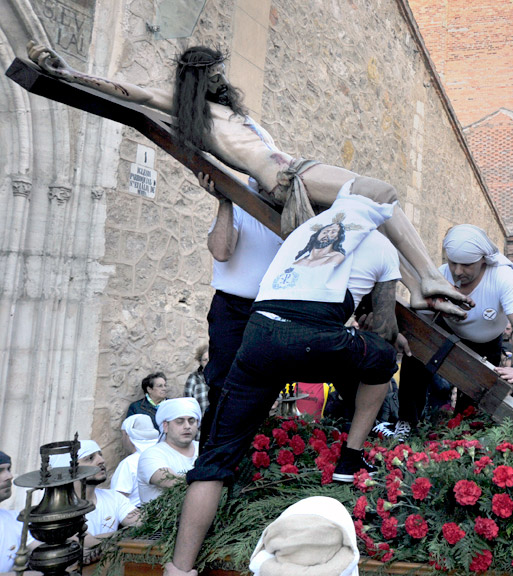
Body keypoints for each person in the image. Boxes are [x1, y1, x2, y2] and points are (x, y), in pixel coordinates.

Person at [26, 42, 469, 318]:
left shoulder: (230, 111)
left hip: (297, 167)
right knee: (381, 193)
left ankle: (417, 285)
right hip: (284, 178)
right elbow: (133, 94)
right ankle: (428, 277)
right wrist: (70, 74)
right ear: (199, 78)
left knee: (373, 214)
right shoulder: (186, 108)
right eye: (213, 72)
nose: (222, 77)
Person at [166, 189, 410, 576]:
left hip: (258, 337)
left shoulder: (300, 230)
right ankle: (350, 456)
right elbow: (382, 325)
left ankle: (179, 568)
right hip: (315, 341)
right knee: (380, 355)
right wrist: (389, 333)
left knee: (214, 459)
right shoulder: (380, 244)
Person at [395, 225, 513, 437]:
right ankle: (405, 423)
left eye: (467, 265)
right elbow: (421, 321)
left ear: (483, 260)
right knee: (414, 356)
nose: (458, 271)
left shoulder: (503, 277)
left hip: (486, 344)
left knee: (471, 409)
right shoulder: (440, 275)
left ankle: (460, 442)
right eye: (453, 263)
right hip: (446, 332)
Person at [197, 170, 283, 445]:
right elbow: (221, 251)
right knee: (223, 387)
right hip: (232, 309)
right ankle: (211, 463)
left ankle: (255, 456)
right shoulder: (240, 209)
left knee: (264, 389)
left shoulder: (289, 218)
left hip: (271, 309)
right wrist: (225, 202)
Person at [50, 441, 140, 565]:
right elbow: (87, 542)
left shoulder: (114, 498)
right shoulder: (57, 508)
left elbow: (142, 525)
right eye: (90, 458)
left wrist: (99, 541)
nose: (101, 460)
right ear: (70, 469)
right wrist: (122, 535)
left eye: (100, 455)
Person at [139, 398, 202, 504]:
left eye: (191, 421)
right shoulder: (151, 455)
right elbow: (174, 483)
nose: (187, 426)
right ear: (165, 426)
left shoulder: (205, 450)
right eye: (179, 421)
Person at [110, 415, 160, 507]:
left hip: (135, 516)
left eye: (122, 435)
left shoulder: (129, 463)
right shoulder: (161, 456)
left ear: (127, 435)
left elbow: (117, 500)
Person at [184, 345, 210, 415]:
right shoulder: (193, 378)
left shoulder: (221, 378)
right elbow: (188, 403)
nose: (208, 363)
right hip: (201, 422)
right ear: (200, 362)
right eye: (205, 360)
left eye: (210, 359)